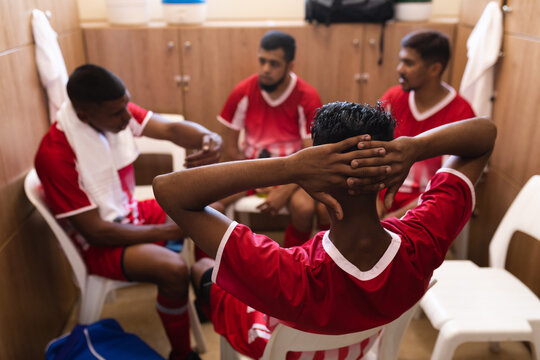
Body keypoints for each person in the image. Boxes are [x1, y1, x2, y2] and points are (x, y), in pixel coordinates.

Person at [153, 101, 496, 359]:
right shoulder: (423, 239)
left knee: (203, 271)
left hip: (271, 339)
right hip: (360, 345)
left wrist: (289, 167)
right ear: (388, 171)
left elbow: (169, 190)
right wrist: (415, 148)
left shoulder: (287, 272)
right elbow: (484, 134)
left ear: (316, 177)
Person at [34, 64, 223, 360]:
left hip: (128, 212)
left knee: (209, 207)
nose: (127, 117)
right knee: (172, 269)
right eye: (117, 113)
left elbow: (171, 129)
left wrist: (209, 139)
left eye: (126, 106)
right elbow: (95, 232)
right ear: (84, 114)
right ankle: (182, 353)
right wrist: (168, 231)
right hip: (98, 242)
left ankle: (204, 298)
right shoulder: (55, 155)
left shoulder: (112, 112)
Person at [215, 30, 326, 248]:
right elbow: (231, 151)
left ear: (290, 66)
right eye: (262, 61)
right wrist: (254, 180)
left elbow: (311, 157)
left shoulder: (307, 97)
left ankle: (293, 262)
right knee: (209, 205)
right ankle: (212, 273)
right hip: (252, 170)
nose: (265, 69)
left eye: (274, 64)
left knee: (304, 208)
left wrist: (284, 189)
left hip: (294, 174)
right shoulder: (243, 92)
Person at [379, 30, 476, 220]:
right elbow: (373, 153)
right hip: (383, 201)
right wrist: (372, 199)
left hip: (427, 210)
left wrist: (394, 220)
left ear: (434, 69)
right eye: (400, 61)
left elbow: (447, 188)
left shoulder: (461, 114)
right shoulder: (392, 98)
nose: (400, 69)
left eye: (409, 63)